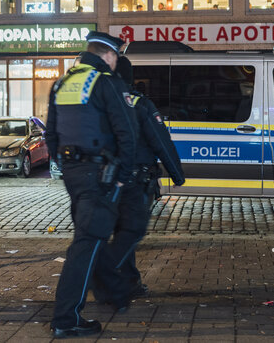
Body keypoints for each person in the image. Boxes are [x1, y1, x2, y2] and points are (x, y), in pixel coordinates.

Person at [46, 31, 138, 338]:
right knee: (86, 245)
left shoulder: (61, 83)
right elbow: (127, 133)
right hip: (101, 175)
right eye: (116, 58)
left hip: (73, 174)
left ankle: (116, 293)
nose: (115, 64)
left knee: (92, 237)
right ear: (109, 56)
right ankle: (65, 318)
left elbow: (51, 135)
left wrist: (67, 165)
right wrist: (122, 176)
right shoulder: (107, 83)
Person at [92, 56, 185, 302]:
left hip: (106, 180)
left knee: (121, 231)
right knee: (130, 230)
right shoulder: (139, 104)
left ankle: (128, 281)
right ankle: (107, 277)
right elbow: (160, 141)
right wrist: (177, 174)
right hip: (135, 180)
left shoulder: (100, 103)